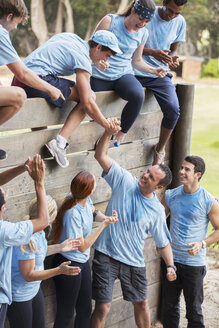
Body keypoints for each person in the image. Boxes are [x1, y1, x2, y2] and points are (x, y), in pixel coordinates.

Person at [90, 126, 177, 328]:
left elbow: (163, 242)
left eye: (151, 177)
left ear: (158, 187)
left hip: (133, 261)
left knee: (142, 303)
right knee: (103, 307)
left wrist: (171, 265)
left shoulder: (156, 210)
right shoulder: (124, 180)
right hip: (106, 254)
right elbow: (100, 155)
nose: (145, 175)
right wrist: (107, 132)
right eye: (147, 171)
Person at [12, 30, 122, 168]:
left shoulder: (72, 38)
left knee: (43, 130)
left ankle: (42, 151)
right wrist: (107, 126)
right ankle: (60, 142)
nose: (107, 60)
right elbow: (87, 103)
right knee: (89, 96)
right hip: (37, 82)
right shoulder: (83, 59)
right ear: (98, 47)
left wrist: (94, 63)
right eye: (106, 55)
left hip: (20, 78)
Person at [90, 0, 167, 149]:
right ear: (132, 10)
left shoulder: (143, 33)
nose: (142, 24)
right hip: (100, 75)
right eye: (140, 19)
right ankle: (93, 141)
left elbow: (136, 61)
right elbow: (91, 49)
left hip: (122, 75)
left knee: (138, 95)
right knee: (92, 107)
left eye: (146, 21)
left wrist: (153, 70)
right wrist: (98, 62)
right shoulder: (110, 21)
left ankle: (119, 136)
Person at [51, 169, 118, 328]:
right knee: (66, 313)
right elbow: (82, 247)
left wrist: (105, 218)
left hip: (81, 262)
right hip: (68, 263)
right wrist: (103, 226)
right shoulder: (73, 213)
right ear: (90, 189)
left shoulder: (84, 199)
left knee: (85, 309)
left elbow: (93, 212)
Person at [0, 0, 64, 160]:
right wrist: (51, 88)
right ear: (9, 17)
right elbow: (22, 73)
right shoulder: (1, 33)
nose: (15, 27)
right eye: (17, 23)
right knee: (19, 96)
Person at [161, 155, 219, 328]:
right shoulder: (170, 195)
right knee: (169, 308)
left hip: (194, 264)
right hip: (171, 261)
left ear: (198, 174)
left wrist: (202, 244)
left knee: (193, 310)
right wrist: (160, 243)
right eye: (181, 168)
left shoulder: (209, 201)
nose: (181, 171)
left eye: (187, 169)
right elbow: (158, 221)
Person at [7, 195, 81, 328]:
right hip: (21, 296)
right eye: (55, 211)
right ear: (48, 215)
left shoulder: (39, 230)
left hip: (34, 290)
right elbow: (28, 275)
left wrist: (60, 247)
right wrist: (59, 270)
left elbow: (38, 253)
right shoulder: (27, 238)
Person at [134, 0, 187, 164]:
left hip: (160, 74)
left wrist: (172, 58)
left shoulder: (180, 22)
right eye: (170, 11)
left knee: (173, 110)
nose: (172, 16)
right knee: (131, 97)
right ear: (164, 2)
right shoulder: (147, 15)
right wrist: (151, 52)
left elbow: (174, 48)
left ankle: (159, 149)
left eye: (177, 13)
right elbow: (131, 43)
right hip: (135, 70)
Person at [0, 154, 50, 328]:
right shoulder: (6, 231)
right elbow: (43, 221)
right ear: (3, 207)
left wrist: (23, 167)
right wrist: (39, 182)